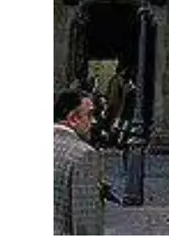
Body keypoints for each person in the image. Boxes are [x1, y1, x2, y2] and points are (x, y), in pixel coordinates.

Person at [54, 88, 105, 235]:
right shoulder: (83, 155)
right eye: (89, 115)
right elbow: (86, 223)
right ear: (73, 119)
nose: (94, 121)